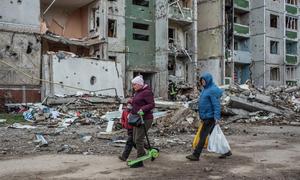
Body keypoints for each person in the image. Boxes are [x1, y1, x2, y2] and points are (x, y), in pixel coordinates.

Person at [186, 72, 232, 161]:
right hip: (206, 116)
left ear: (208, 80)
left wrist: (217, 117)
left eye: (204, 80)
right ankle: (226, 151)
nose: (203, 82)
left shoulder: (211, 90)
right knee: (216, 135)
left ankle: (196, 155)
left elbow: (216, 105)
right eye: (202, 81)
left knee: (202, 136)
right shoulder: (205, 89)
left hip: (209, 117)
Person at [130, 75, 155, 168]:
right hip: (137, 118)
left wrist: (143, 109)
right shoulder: (138, 92)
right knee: (134, 139)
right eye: (133, 85)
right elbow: (137, 102)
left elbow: (152, 104)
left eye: (135, 84)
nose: (133, 86)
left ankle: (140, 160)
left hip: (146, 118)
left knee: (138, 139)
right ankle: (148, 151)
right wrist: (131, 103)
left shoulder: (147, 92)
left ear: (140, 84)